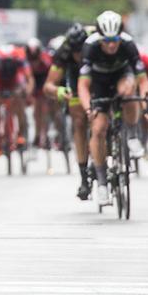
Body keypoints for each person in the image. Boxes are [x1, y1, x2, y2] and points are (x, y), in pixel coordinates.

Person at [77, 10, 148, 207]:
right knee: (99, 128)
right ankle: (102, 182)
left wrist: (147, 105)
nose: (111, 45)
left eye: (115, 40)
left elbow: (143, 81)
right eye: (107, 40)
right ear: (100, 37)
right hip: (99, 82)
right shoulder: (90, 47)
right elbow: (83, 86)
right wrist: (88, 109)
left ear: (121, 36)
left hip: (122, 75)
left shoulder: (128, 44)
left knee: (128, 91)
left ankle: (133, 135)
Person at [45, 23, 92, 199]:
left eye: (81, 51)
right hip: (75, 78)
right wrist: (58, 91)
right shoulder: (64, 51)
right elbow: (48, 85)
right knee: (79, 122)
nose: (78, 55)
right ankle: (84, 177)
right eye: (75, 52)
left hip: (98, 75)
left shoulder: (95, 44)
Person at [0, 43, 32, 155]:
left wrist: (27, 93)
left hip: (15, 81)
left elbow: (29, 79)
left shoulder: (20, 58)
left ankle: (20, 133)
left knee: (19, 101)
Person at [23, 37, 53, 149]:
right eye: (31, 59)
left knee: (44, 108)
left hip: (44, 78)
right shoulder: (24, 60)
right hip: (32, 79)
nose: (34, 62)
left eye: (35, 59)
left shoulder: (46, 59)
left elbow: (52, 77)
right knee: (36, 110)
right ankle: (37, 135)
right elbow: (27, 79)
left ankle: (45, 135)